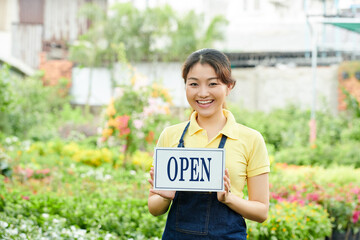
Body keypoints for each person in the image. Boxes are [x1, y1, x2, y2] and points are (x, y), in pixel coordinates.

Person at [148, 48, 270, 240]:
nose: (203, 93)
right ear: (186, 86)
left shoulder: (251, 139)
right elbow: (154, 208)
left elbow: (261, 211)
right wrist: (164, 196)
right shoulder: (170, 135)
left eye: (213, 83)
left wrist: (229, 199)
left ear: (229, 86)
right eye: (194, 84)